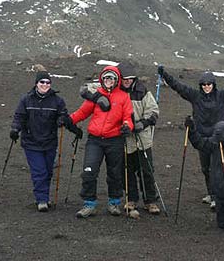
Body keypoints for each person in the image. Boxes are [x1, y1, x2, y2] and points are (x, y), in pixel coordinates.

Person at [160, 67, 224, 209]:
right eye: (203, 84)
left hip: (218, 138)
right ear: (200, 86)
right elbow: (178, 87)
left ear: (214, 84)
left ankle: (217, 197)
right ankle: (211, 193)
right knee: (205, 168)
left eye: (209, 84)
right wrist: (164, 74)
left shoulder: (222, 96)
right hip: (202, 140)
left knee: (218, 168)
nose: (206, 87)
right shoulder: (195, 96)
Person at [63, 65, 134, 218]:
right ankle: (89, 204)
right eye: (106, 78)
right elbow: (82, 112)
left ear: (117, 80)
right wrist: (68, 120)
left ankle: (114, 203)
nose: (109, 80)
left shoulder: (123, 97)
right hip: (95, 140)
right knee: (89, 172)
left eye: (112, 78)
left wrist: (127, 126)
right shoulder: (96, 96)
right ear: (102, 79)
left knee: (114, 173)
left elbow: (128, 117)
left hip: (115, 140)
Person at [10, 71, 82, 212]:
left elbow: (64, 116)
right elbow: (19, 117)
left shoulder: (57, 101)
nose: (45, 85)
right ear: (36, 83)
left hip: (49, 142)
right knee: (40, 171)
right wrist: (14, 130)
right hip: (31, 142)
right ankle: (41, 200)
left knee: (48, 171)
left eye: (47, 82)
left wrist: (73, 129)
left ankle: (45, 196)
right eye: (42, 82)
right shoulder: (26, 99)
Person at [118, 61, 160, 217]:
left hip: (142, 138)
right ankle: (131, 199)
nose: (127, 81)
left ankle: (150, 200)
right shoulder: (116, 91)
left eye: (130, 78)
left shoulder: (142, 91)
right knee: (127, 170)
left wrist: (143, 123)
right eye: (124, 78)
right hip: (125, 139)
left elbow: (153, 110)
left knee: (147, 170)